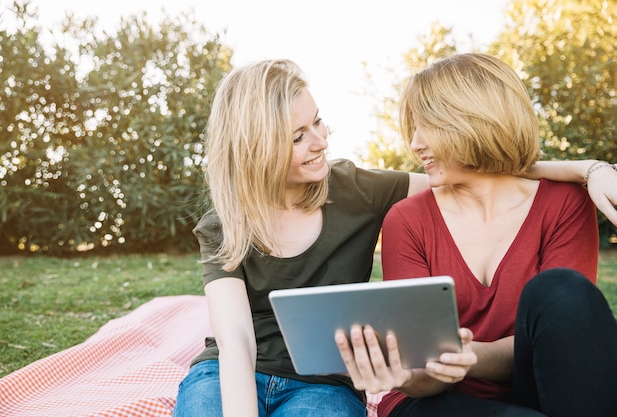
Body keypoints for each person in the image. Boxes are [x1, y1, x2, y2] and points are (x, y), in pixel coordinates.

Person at [171, 58, 617, 417]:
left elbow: (490, 166)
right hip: (245, 374)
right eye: (298, 136)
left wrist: (588, 170)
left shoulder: (354, 189)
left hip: (323, 383)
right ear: (257, 148)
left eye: (319, 123)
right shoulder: (226, 221)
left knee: (561, 291)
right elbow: (236, 343)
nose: (322, 141)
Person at [335, 53, 617, 417]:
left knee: (562, 289)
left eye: (427, 126)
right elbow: (422, 370)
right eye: (412, 129)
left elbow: (565, 339)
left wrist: (468, 354)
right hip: (432, 400)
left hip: (538, 384)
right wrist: (414, 368)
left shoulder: (564, 203)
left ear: (475, 120)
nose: (415, 144)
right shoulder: (407, 219)